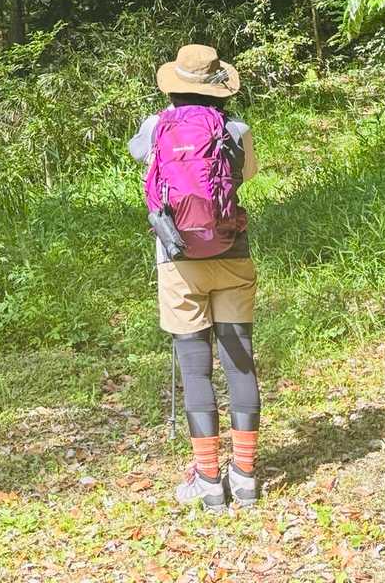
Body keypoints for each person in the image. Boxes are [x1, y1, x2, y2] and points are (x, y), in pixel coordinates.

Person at [128, 43, 261, 510]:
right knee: (239, 362)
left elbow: (140, 159)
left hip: (177, 258)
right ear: (219, 87)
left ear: (174, 85)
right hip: (232, 254)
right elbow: (247, 174)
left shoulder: (155, 126)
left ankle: (208, 482)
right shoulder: (236, 129)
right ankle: (245, 478)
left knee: (195, 367)